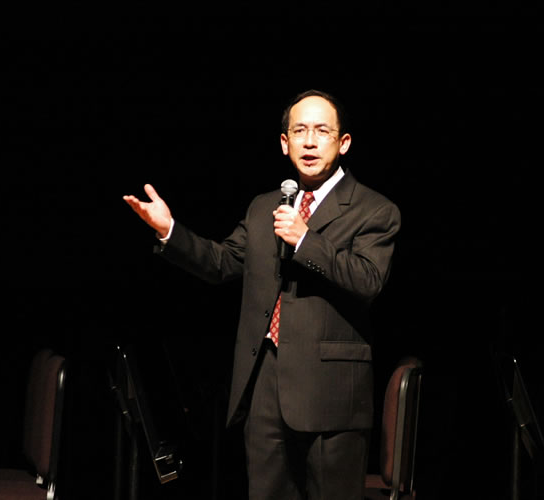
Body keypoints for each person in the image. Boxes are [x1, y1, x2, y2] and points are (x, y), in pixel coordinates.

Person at [123, 89, 401, 500]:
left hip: (330, 393)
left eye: (322, 131)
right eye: (299, 131)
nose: (309, 142)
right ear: (284, 143)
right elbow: (221, 262)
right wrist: (170, 231)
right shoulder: (263, 207)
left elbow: (369, 280)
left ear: (343, 142)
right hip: (264, 384)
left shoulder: (374, 209)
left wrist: (306, 241)